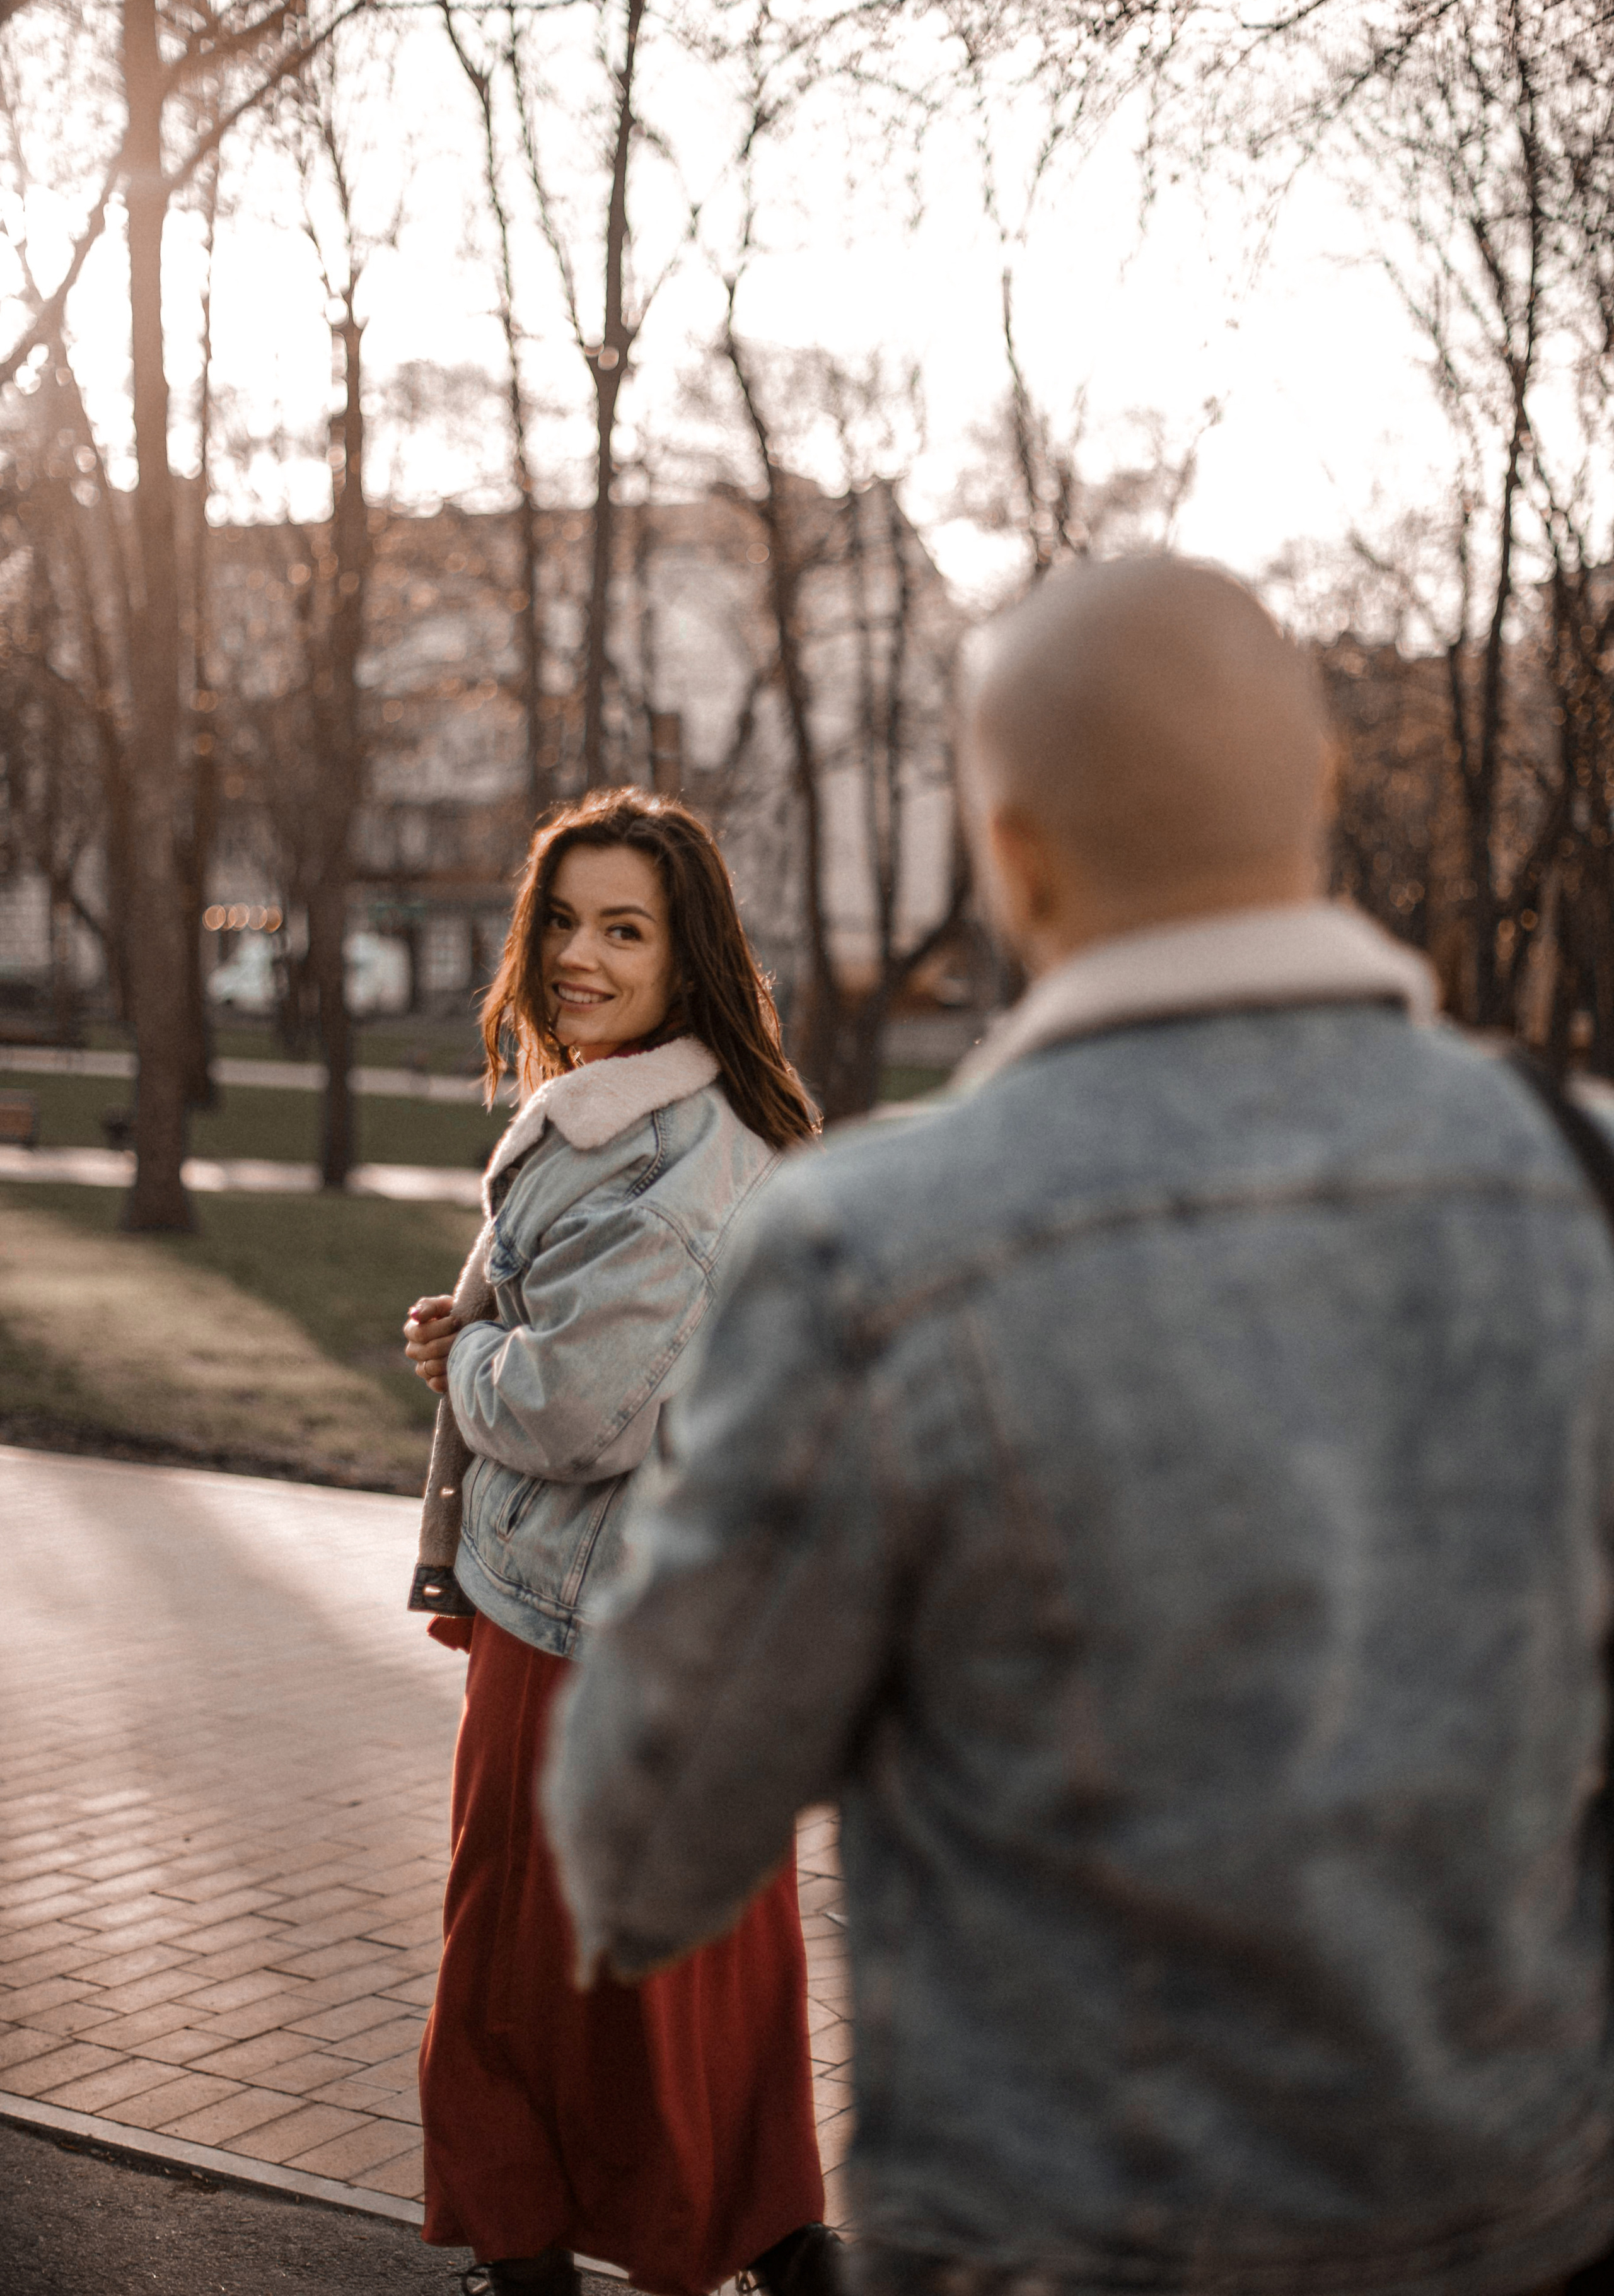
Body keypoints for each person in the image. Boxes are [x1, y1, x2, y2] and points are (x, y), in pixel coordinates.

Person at [544, 558, 1614, 2296]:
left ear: (1014, 853)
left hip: (1058, 2244)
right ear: (1324, 794)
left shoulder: (868, 1256)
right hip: (1532, 2225)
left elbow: (645, 1849)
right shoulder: (1582, 1185)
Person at [401, 788, 838, 2296]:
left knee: (521, 1953)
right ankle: (775, 2242)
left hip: (588, 1628)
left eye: (623, 930)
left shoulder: (669, 1159)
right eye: (561, 922)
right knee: (697, 1962)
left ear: (686, 957)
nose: (579, 956)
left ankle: (529, 2253)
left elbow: (575, 1410)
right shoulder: (632, 1120)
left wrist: (460, 1354)